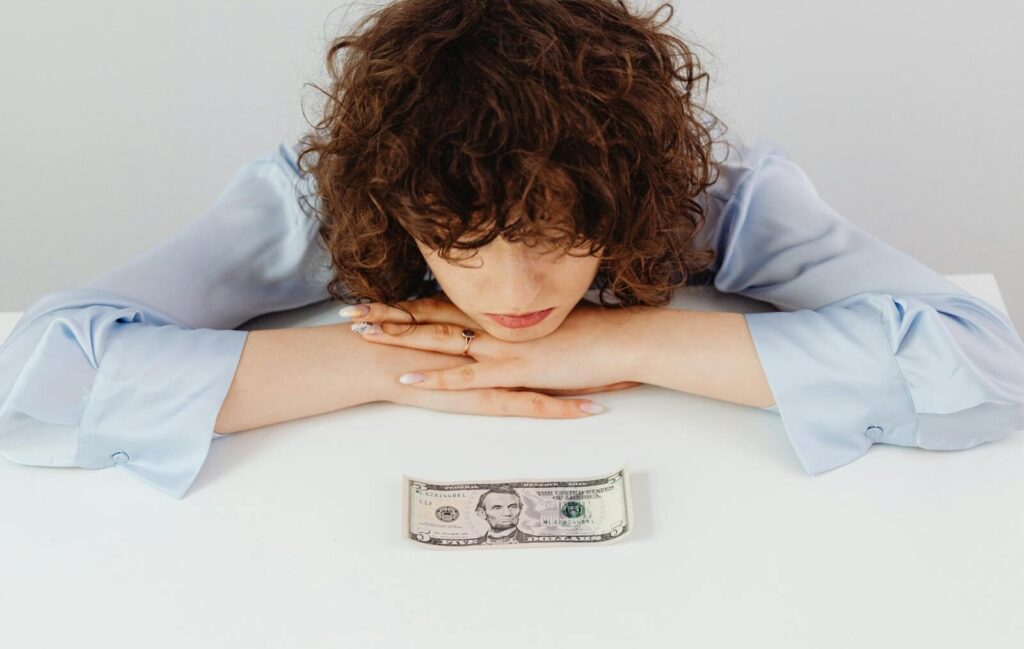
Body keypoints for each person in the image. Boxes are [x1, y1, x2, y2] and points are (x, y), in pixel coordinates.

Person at [1, 0, 1022, 499]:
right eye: (460, 245)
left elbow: (980, 362)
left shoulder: (719, 190)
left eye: (560, 237)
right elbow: (40, 374)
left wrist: (617, 342)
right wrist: (398, 364)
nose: (514, 292)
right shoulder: (317, 194)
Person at [473, 486, 538, 545]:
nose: (507, 513)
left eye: (512, 507)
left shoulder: (535, 542)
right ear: (482, 513)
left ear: (520, 509)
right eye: (497, 508)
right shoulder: (476, 544)